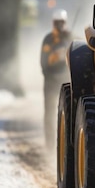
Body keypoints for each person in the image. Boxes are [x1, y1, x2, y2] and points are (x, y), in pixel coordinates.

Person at [40, 9, 73, 149]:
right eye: (57, 22)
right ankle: (49, 145)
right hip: (50, 81)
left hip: (65, 82)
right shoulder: (48, 39)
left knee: (68, 112)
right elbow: (43, 61)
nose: (59, 25)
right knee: (49, 113)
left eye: (61, 22)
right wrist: (49, 74)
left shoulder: (71, 37)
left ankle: (66, 145)